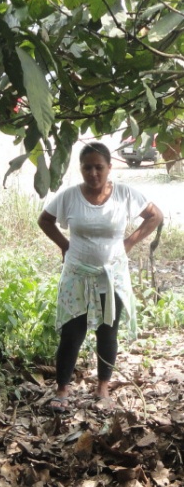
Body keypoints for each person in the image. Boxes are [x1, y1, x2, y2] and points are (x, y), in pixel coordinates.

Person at [37, 141, 163, 409]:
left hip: (111, 276)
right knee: (72, 331)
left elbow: (155, 216)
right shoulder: (70, 196)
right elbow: (44, 220)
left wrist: (129, 242)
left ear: (110, 167)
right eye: (87, 168)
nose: (93, 173)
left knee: (108, 331)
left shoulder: (125, 194)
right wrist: (65, 245)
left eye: (99, 167)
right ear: (80, 169)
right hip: (77, 275)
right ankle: (62, 389)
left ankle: (103, 388)